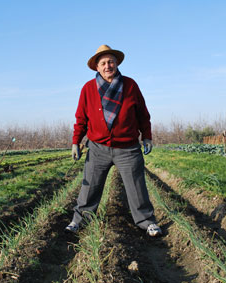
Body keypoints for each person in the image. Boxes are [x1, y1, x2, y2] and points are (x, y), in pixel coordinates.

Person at [65, 45, 162, 237]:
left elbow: (143, 114)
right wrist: (76, 141)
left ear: (116, 64)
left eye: (110, 62)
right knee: (89, 186)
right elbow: (81, 118)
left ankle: (146, 221)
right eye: (103, 63)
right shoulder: (88, 89)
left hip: (128, 148)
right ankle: (79, 220)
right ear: (97, 67)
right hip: (98, 148)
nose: (107, 65)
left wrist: (147, 136)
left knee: (136, 186)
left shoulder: (130, 85)